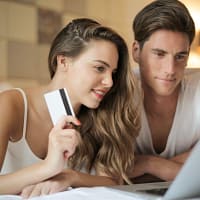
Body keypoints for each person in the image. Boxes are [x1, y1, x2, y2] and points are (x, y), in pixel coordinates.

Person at [0, 18, 140, 196]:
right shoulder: (10, 105)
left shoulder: (102, 115)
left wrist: (70, 176)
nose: (109, 82)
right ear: (63, 62)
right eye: (99, 68)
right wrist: (48, 167)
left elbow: (113, 180)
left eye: (112, 73)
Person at [130, 0, 200, 183]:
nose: (170, 69)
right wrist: (184, 164)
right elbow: (109, 170)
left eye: (180, 56)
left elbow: (129, 174)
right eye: (159, 54)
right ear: (136, 51)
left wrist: (150, 164)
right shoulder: (117, 90)